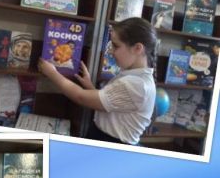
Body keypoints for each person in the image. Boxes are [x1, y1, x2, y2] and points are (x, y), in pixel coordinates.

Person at [38, 17, 157, 145]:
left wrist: (52, 73)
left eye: (116, 46)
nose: (110, 51)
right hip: (105, 137)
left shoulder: (137, 84)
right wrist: (90, 86)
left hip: (111, 144)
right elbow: (111, 105)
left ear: (138, 48)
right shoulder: (134, 77)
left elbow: (80, 97)